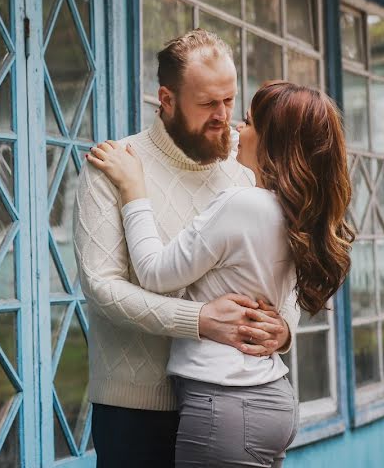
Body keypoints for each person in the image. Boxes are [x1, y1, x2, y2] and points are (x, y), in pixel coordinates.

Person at [88, 81, 355, 467]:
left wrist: (133, 188)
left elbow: (153, 273)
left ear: (271, 141)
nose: (235, 129)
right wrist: (281, 331)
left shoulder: (243, 203)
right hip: (268, 398)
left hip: (227, 404)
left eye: (247, 121)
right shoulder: (295, 211)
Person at [73, 29, 300, 468]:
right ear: (168, 99)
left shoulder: (247, 163)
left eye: (230, 101)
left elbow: (281, 259)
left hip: (235, 400)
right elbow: (101, 288)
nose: (224, 118)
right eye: (208, 104)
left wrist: (285, 327)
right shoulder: (115, 166)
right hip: (135, 408)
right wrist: (199, 321)